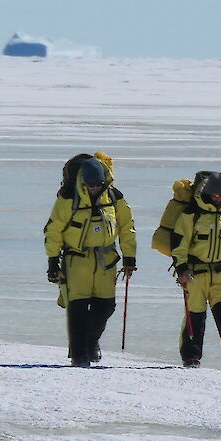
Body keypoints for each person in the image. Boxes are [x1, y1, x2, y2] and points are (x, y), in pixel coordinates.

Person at [43, 153, 136, 368]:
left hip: (106, 260)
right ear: (83, 182)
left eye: (99, 184)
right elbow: (54, 230)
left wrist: (129, 256)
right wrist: (52, 261)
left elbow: (126, 226)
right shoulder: (68, 199)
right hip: (77, 259)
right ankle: (79, 355)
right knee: (77, 308)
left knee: (105, 306)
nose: (95, 188)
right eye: (91, 184)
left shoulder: (114, 197)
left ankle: (90, 342)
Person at [169, 171, 221, 370]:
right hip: (195, 274)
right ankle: (191, 356)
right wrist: (182, 269)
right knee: (194, 318)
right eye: (216, 196)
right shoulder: (190, 215)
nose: (219, 199)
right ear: (207, 193)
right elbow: (179, 245)